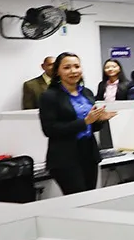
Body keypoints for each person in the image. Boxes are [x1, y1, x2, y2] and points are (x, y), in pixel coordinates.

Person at [38, 52, 116, 195]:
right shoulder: (49, 96)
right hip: (65, 156)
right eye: (67, 67)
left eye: (76, 66)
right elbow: (50, 130)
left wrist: (100, 120)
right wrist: (85, 122)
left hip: (88, 152)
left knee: (89, 197)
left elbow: (91, 127)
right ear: (58, 72)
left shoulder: (87, 93)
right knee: (77, 198)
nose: (73, 71)